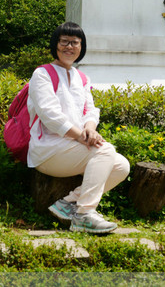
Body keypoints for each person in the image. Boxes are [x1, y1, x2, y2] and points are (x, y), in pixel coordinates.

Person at [27, 22, 129, 234]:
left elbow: (90, 111)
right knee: (106, 150)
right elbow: (49, 115)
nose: (69, 46)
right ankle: (84, 214)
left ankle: (69, 203)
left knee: (121, 166)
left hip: (74, 147)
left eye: (75, 42)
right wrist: (81, 137)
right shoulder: (43, 74)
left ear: (81, 47)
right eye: (64, 41)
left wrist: (90, 129)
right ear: (55, 45)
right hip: (49, 149)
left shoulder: (82, 78)